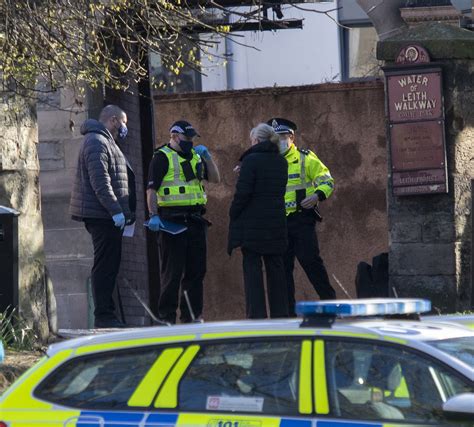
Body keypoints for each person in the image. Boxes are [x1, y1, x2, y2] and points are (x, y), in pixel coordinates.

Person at [146, 120, 220, 324]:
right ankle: (166, 318)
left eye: (192, 138)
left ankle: (192, 317)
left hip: (196, 220)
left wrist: (208, 158)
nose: (191, 142)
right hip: (172, 222)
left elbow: (215, 179)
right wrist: (153, 214)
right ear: (175, 136)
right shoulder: (162, 157)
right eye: (187, 138)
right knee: (172, 273)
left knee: (196, 272)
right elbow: (151, 190)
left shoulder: (196, 156)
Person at [70, 104, 136, 328]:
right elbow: (101, 182)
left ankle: (108, 313)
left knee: (110, 264)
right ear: (114, 120)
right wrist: (116, 210)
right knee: (105, 265)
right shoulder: (96, 142)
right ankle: (104, 316)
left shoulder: (107, 142)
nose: (125, 127)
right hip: (102, 215)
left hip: (107, 215)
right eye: (124, 122)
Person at [267, 117, 336, 316]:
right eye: (274, 137)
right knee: (282, 272)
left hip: (301, 221)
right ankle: (287, 315)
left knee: (312, 264)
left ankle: (331, 306)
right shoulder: (268, 161)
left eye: (282, 136)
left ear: (291, 136)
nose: (278, 140)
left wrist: (317, 195)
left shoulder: (306, 158)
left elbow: (327, 181)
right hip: (278, 224)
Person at [228, 123, 289, 319]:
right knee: (276, 271)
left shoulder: (251, 161)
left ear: (256, 140)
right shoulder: (282, 162)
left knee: (253, 271)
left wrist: (233, 211)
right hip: (276, 224)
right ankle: (280, 315)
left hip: (253, 227)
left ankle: (257, 317)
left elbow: (243, 193)